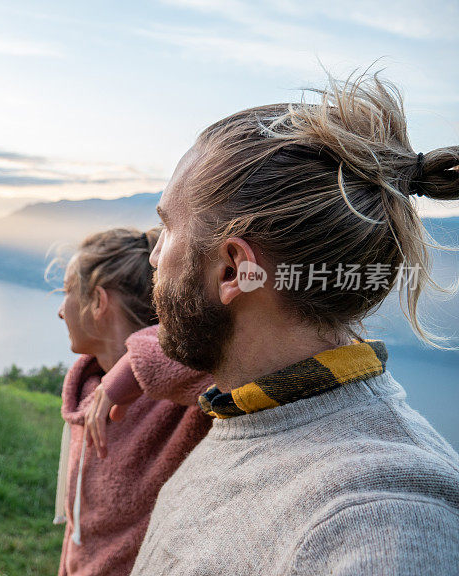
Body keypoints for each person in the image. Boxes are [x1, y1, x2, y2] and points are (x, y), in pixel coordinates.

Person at [116, 72, 459, 575]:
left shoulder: (380, 520)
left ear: (233, 270)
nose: (155, 254)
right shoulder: (251, 415)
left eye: (168, 227)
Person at [53, 227, 213, 576]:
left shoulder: (182, 395)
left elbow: (215, 344)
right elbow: (82, 526)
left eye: (67, 292)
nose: (60, 310)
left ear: (98, 301)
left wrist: (129, 372)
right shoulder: (86, 392)